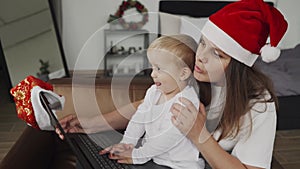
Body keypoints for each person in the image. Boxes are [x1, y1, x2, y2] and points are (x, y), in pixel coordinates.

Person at [59, 0, 288, 168]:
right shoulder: (192, 73)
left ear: (238, 65)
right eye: (203, 44)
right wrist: (92, 124)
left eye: (217, 54)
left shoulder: (259, 106)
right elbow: (148, 105)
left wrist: (198, 134)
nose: (201, 57)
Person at [100, 35, 204, 169]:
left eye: (159, 69)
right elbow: (139, 119)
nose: (153, 74)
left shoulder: (186, 101)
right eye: (153, 67)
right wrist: (126, 144)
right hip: (153, 158)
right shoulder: (154, 92)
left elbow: (168, 138)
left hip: (179, 165)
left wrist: (138, 155)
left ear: (183, 74)